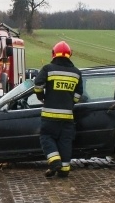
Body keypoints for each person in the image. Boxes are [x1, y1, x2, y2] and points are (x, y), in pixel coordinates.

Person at [33, 41, 83, 178]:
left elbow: (38, 85)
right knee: (65, 141)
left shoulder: (48, 69)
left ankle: (54, 162)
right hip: (67, 117)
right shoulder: (76, 73)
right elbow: (78, 95)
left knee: (46, 137)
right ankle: (64, 169)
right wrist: (69, 103)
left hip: (49, 115)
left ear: (53, 54)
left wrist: (41, 96)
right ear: (69, 55)